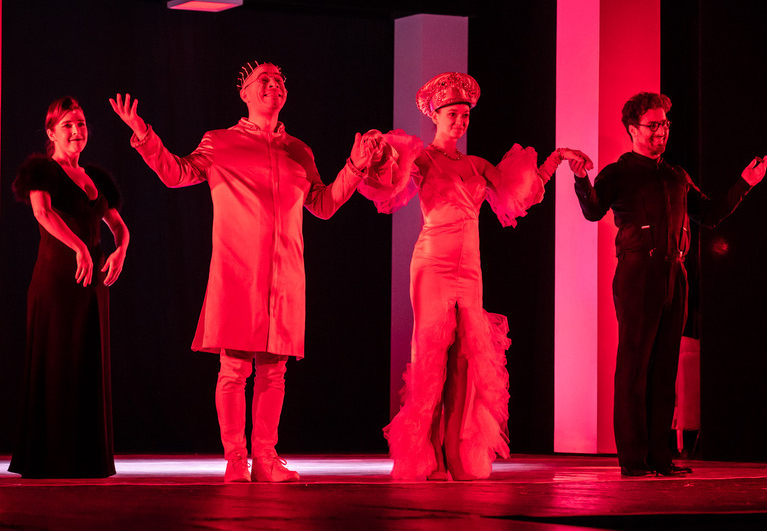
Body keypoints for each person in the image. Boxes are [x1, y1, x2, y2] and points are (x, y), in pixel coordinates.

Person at [109, 61, 375, 483]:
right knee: (234, 368)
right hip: (237, 271)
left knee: (275, 370)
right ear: (245, 94)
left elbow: (322, 205)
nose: (273, 84)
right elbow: (176, 173)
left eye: (279, 80)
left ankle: (265, 458)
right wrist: (143, 135)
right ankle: (236, 460)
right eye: (262, 80)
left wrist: (355, 167)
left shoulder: (299, 150)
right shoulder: (220, 142)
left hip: (285, 273)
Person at [360, 72, 592, 481]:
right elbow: (387, 186)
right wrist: (377, 155)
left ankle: (453, 450)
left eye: (465, 115)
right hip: (433, 261)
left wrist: (556, 158)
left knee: (465, 358)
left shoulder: (477, 165)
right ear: (435, 115)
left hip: (470, 268)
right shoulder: (422, 159)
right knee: (431, 355)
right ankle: (429, 452)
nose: (460, 121)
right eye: (452, 114)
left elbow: (520, 195)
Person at [568, 91, 767, 477]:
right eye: (653, 124)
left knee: (664, 368)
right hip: (638, 274)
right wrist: (581, 178)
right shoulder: (619, 172)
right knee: (634, 367)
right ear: (633, 129)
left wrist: (745, 183)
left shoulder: (676, 175)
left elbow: (709, 214)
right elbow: (593, 209)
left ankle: (660, 457)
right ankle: (634, 459)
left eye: (665, 124)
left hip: (675, 274)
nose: (661, 131)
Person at [9, 96, 129, 478]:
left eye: (81, 124)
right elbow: (42, 212)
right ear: (51, 133)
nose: (76, 131)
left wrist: (121, 250)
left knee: (87, 363)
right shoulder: (43, 170)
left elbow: (119, 226)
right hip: (58, 280)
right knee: (58, 363)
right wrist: (79, 247)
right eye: (67, 126)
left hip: (92, 285)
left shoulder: (95, 177)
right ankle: (50, 458)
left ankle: (86, 459)